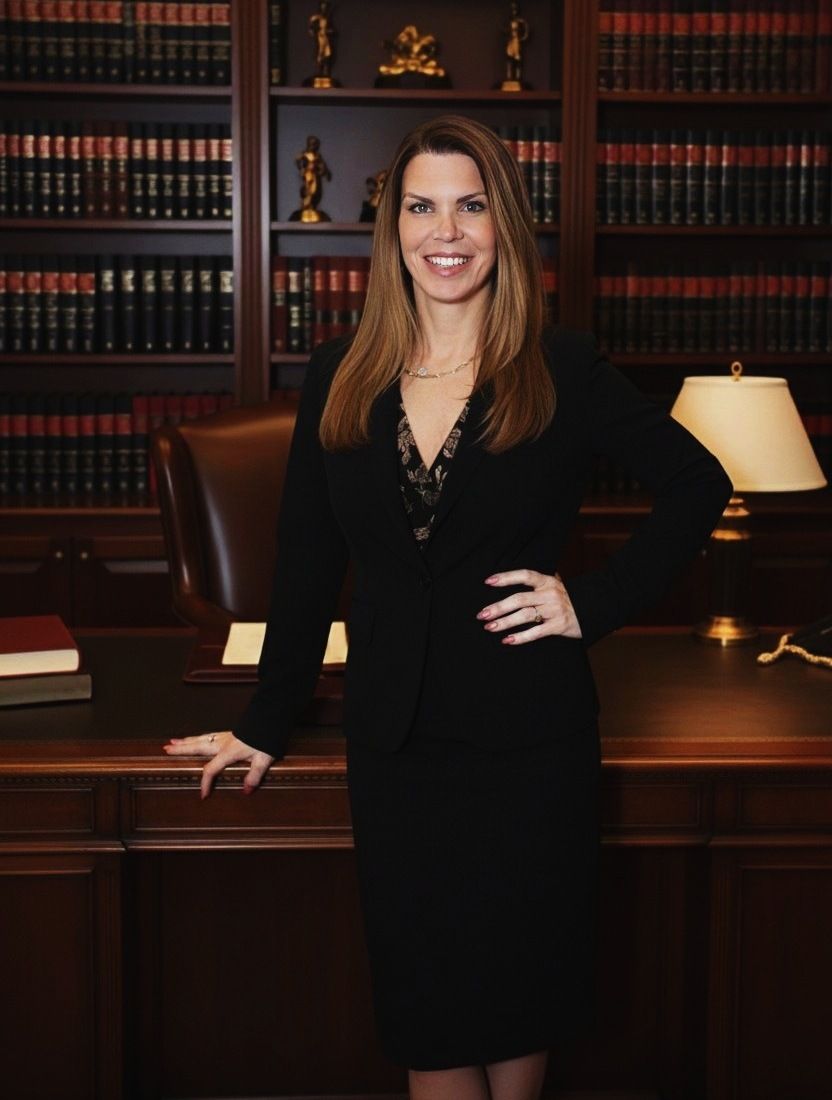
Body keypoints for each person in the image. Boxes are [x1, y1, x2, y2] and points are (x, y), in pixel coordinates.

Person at [162, 115, 733, 1100]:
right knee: (427, 1015)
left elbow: (697, 484)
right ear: (391, 232)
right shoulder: (341, 374)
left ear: (503, 225)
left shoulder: (562, 366)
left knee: (519, 1000)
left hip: (529, 743)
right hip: (396, 748)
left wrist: (588, 603)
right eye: (421, 207)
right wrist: (264, 720)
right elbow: (306, 560)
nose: (446, 231)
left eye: (470, 206)